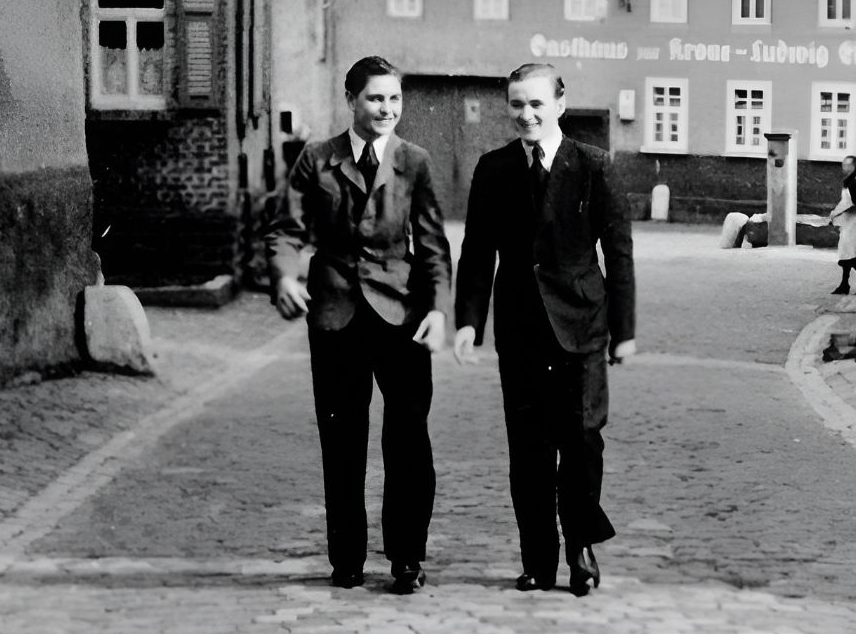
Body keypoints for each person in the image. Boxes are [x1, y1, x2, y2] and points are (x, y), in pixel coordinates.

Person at [266, 56, 449, 594]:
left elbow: (433, 245)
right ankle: (346, 558)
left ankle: (407, 558)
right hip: (336, 314)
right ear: (351, 100)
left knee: (409, 440)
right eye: (375, 98)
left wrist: (438, 309)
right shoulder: (316, 159)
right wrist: (285, 275)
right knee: (342, 439)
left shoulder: (415, 161)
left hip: (401, 315)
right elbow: (287, 229)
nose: (386, 109)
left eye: (394, 99)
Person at [452, 62, 635, 597]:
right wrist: (469, 323)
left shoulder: (594, 165)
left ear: (560, 103)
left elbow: (619, 253)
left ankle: (580, 545)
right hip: (521, 330)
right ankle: (537, 559)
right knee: (528, 448)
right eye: (517, 105)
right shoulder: (494, 168)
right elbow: (476, 252)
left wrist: (623, 329)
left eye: (536, 103)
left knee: (582, 440)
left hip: (582, 326)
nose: (526, 115)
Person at [829, 154, 856, 295]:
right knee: (846, 253)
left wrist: (836, 212)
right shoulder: (850, 181)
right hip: (848, 223)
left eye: (848, 165)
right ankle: (845, 284)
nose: (845, 168)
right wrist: (836, 213)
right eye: (844, 165)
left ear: (854, 166)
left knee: (853, 254)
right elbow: (845, 202)